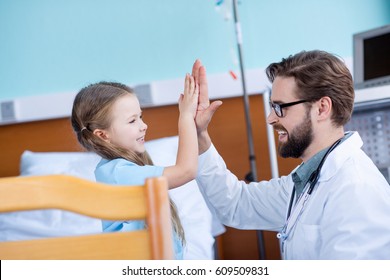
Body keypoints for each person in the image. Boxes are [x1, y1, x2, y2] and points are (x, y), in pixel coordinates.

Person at [190, 51, 390, 259]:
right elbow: (236, 204)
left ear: (322, 108)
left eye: (279, 107)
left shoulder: (355, 191)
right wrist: (199, 135)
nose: (270, 118)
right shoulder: (308, 180)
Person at [71, 74, 199, 259]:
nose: (144, 125)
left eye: (141, 117)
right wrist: (186, 116)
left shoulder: (124, 169)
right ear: (102, 135)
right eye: (132, 121)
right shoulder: (118, 173)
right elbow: (186, 170)